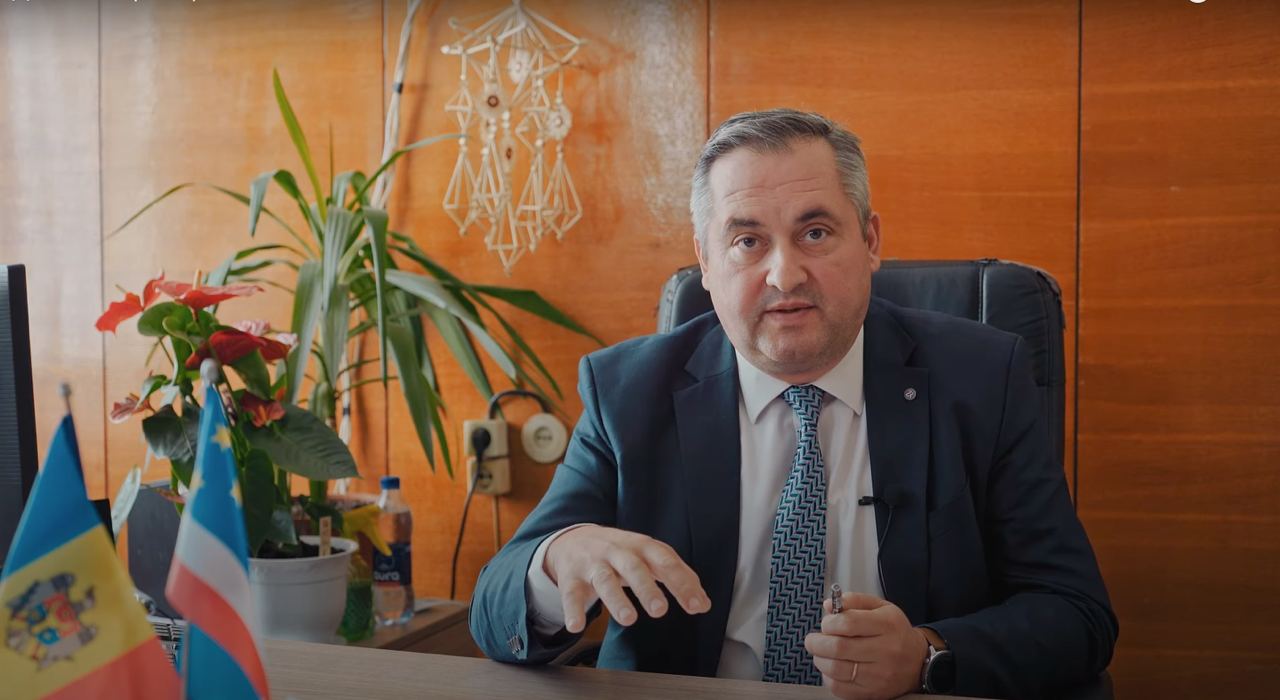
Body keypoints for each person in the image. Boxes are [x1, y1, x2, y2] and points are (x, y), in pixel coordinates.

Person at [469, 109, 1117, 699]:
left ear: (869, 241)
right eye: (747, 241)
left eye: (815, 232)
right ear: (705, 261)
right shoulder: (628, 391)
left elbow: (1075, 613)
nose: (784, 274)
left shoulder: (980, 379)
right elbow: (494, 612)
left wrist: (926, 654)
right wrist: (556, 560)